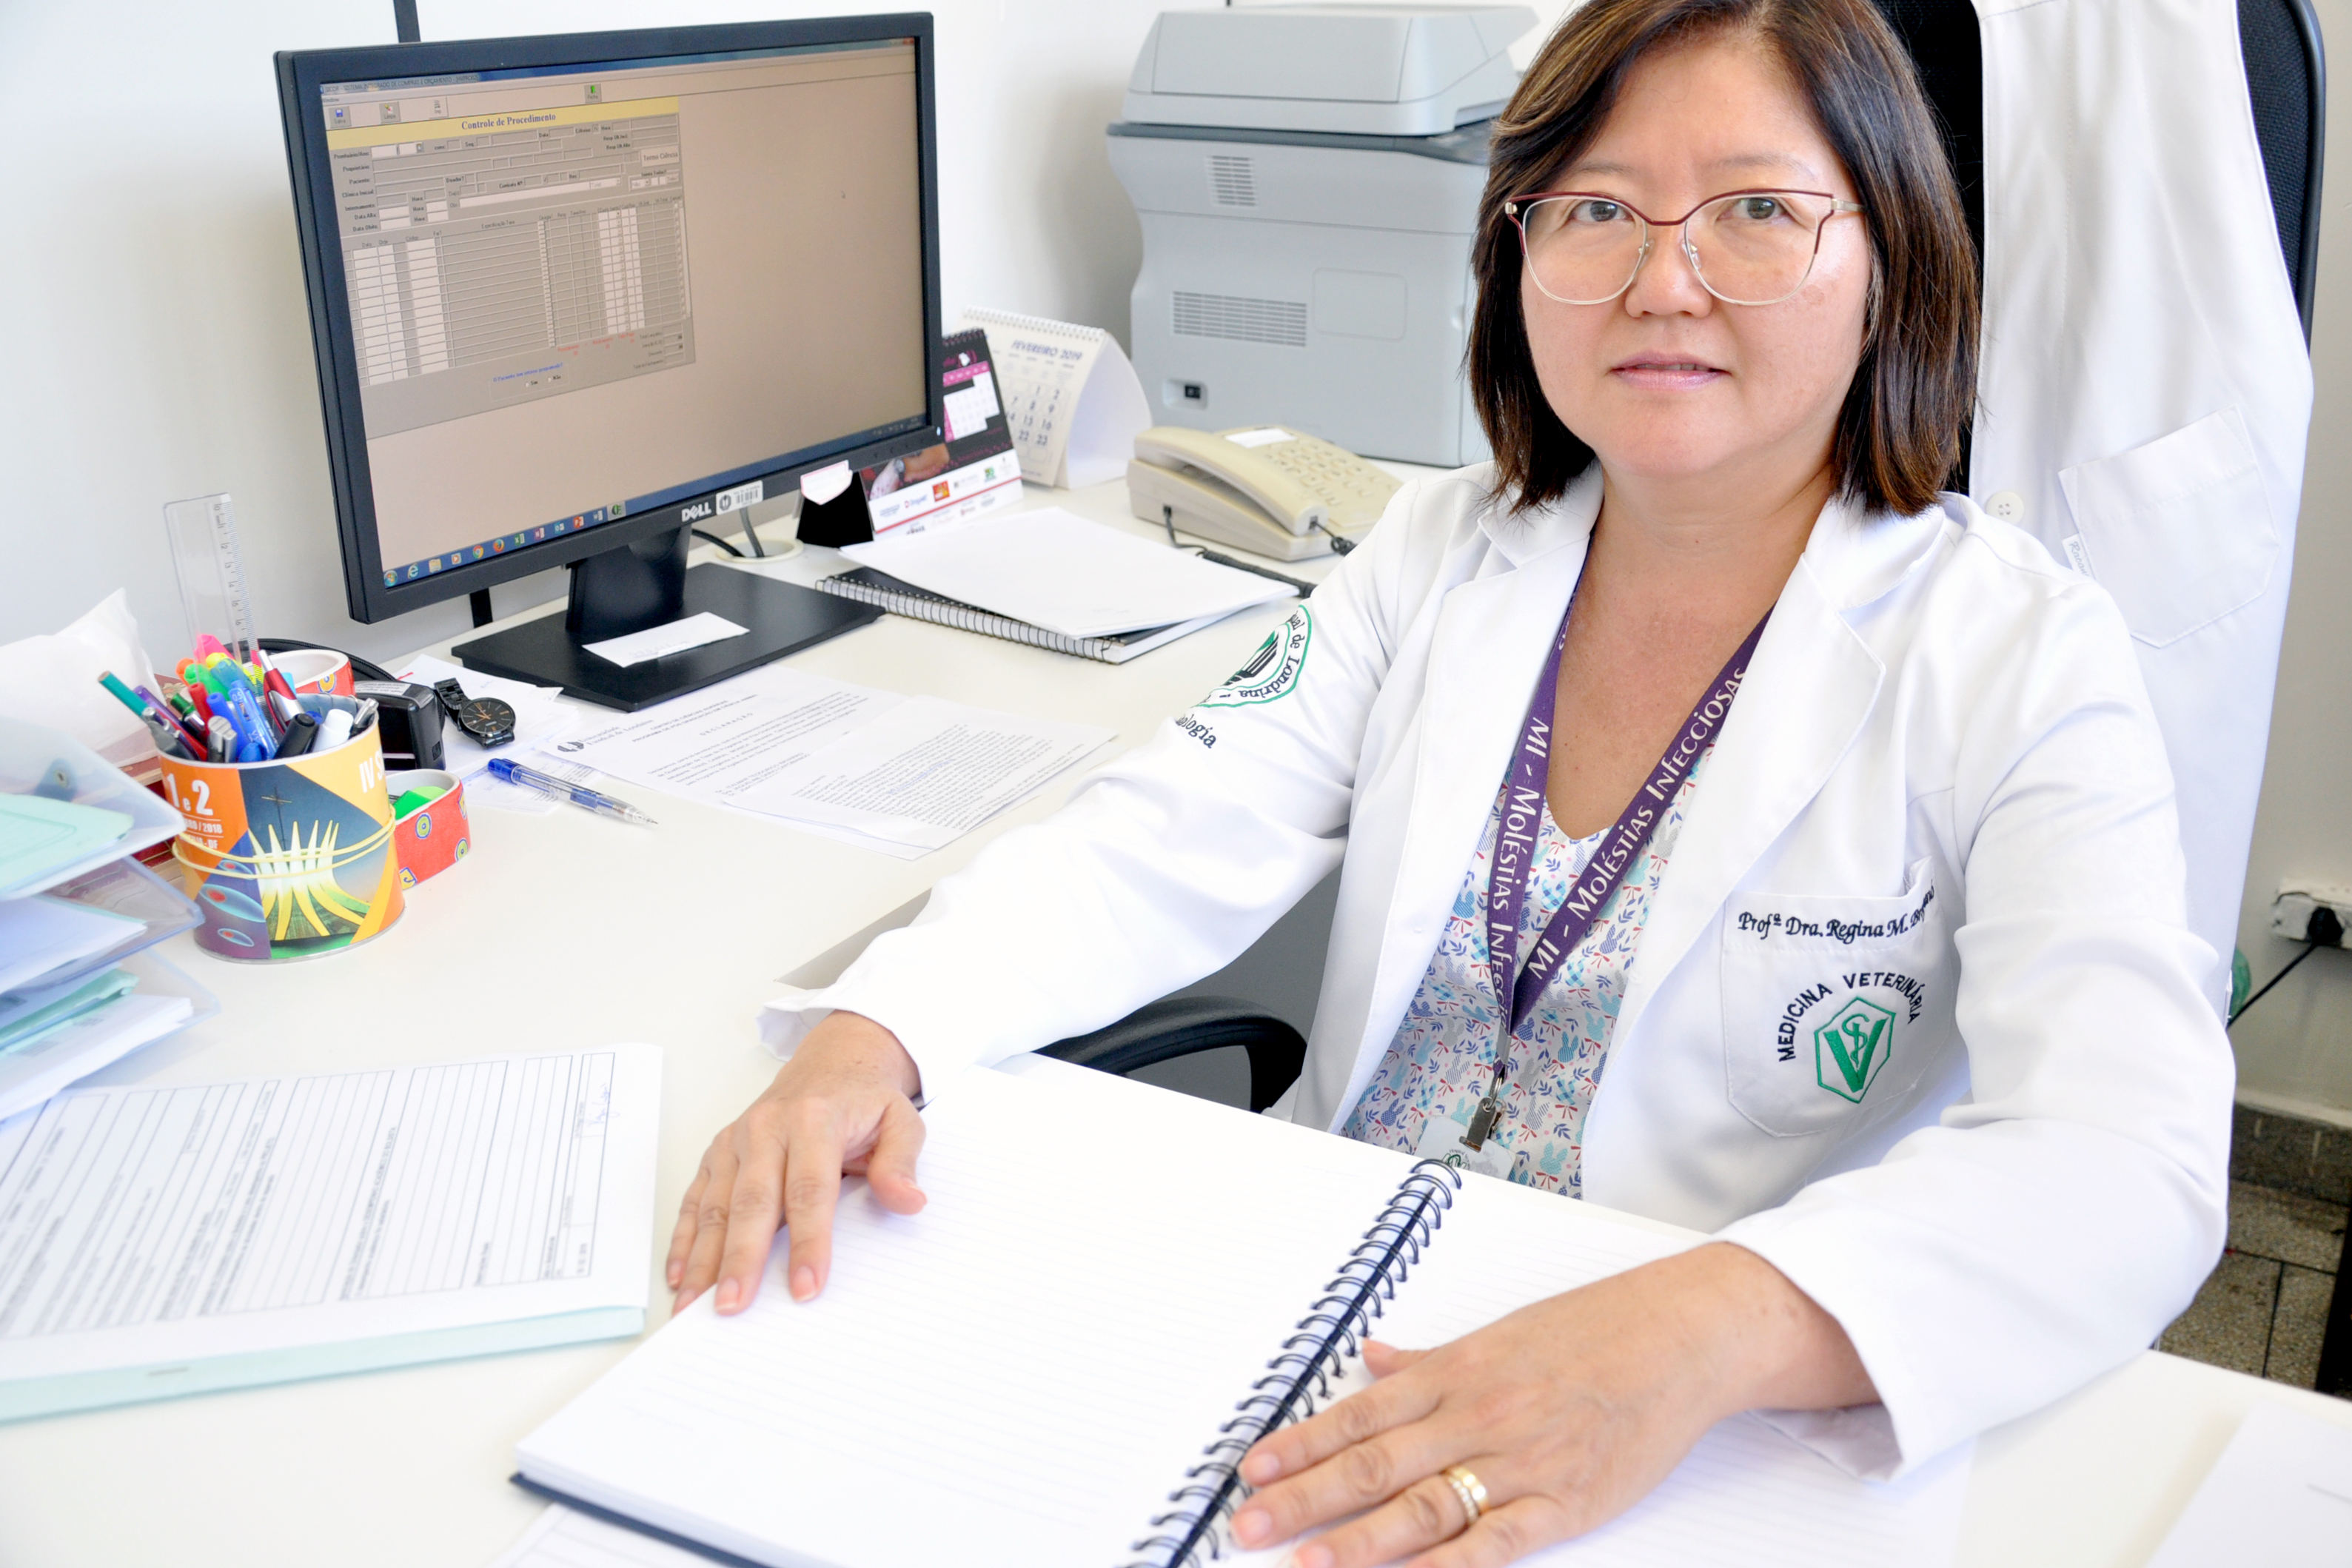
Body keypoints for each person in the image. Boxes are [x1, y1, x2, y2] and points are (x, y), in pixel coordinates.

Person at [669, 0, 2232, 1561]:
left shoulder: (2018, 653)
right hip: (1311, 1317)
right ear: (1514, 254)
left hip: (1702, 1427)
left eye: (1756, 210)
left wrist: (1704, 1327)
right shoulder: (1435, 552)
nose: (1660, 281)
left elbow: (2126, 1156)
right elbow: (1159, 832)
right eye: (1595, 212)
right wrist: (879, 1030)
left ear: (1887, 252)